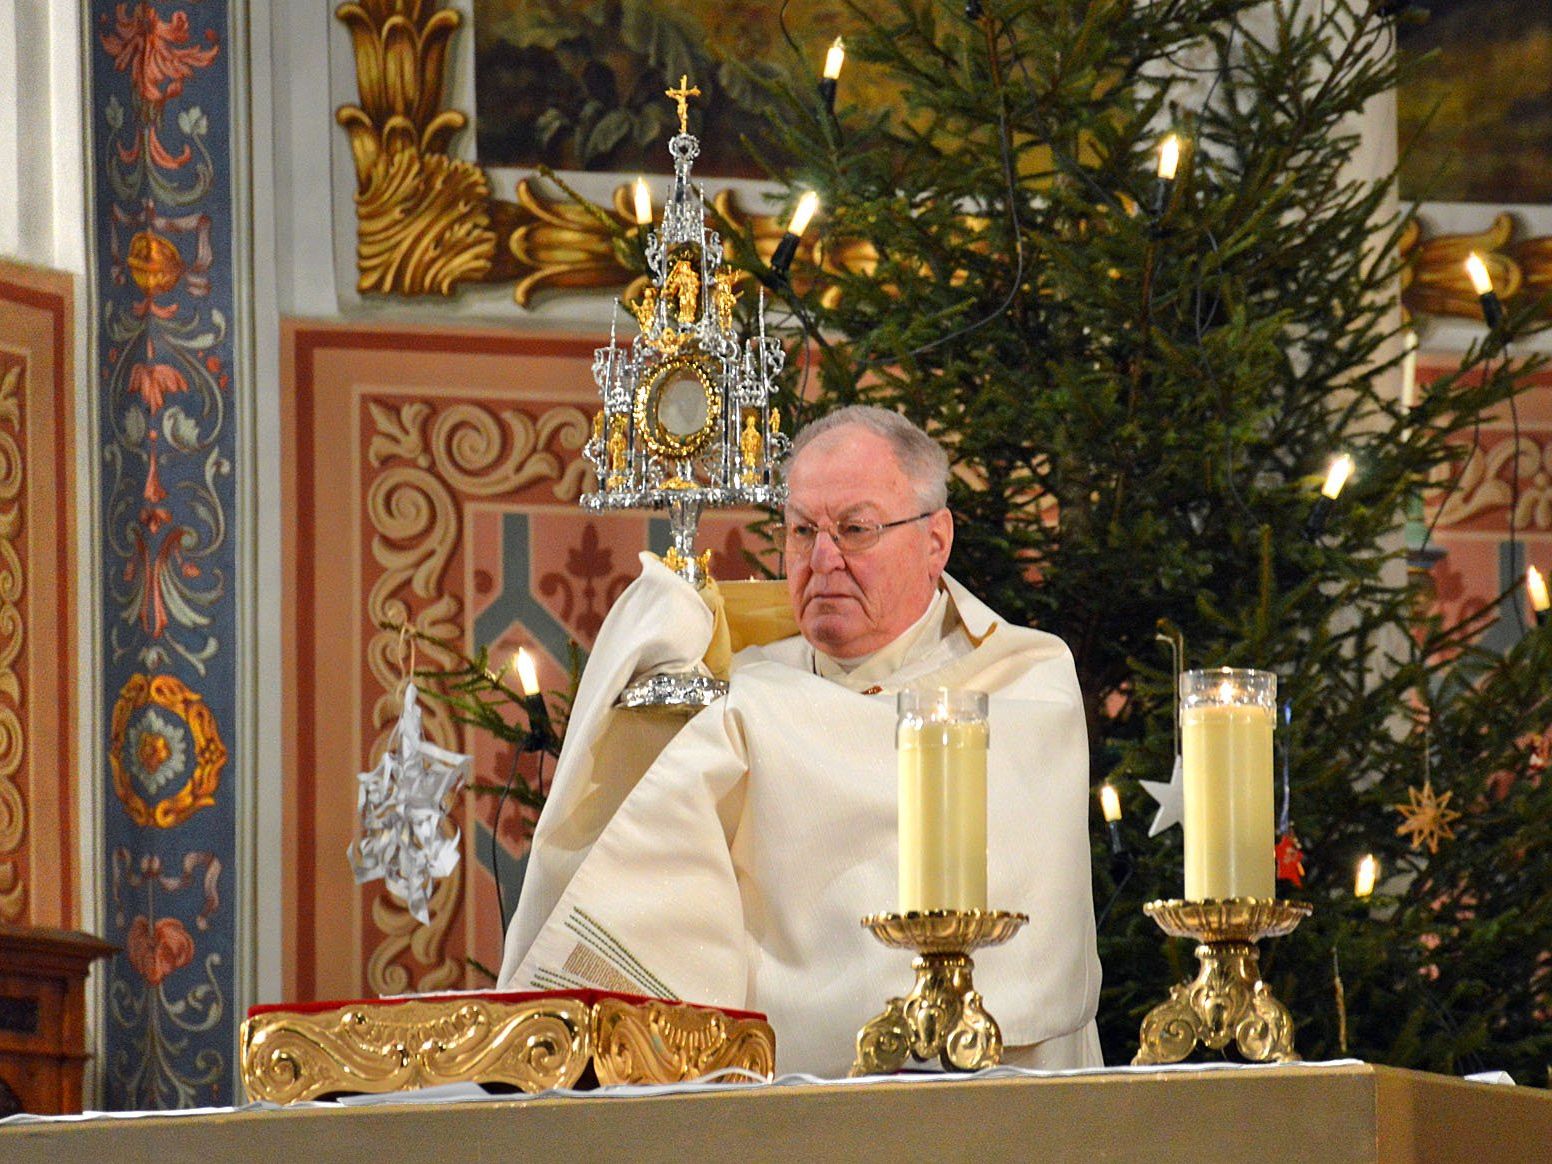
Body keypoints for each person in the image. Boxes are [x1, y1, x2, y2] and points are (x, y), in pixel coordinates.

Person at [498, 405, 1102, 1076]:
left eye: (855, 529)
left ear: (936, 541)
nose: (822, 559)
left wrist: (756, 716)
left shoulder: (1025, 682)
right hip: (778, 1098)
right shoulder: (749, 684)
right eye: (801, 531)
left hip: (990, 1093)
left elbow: (1025, 926)